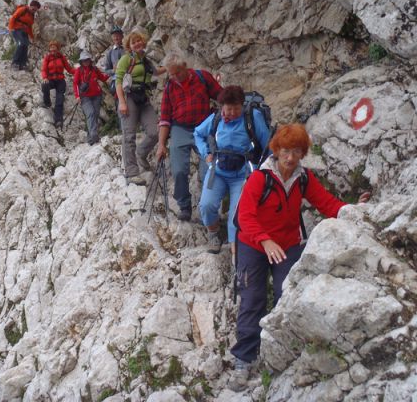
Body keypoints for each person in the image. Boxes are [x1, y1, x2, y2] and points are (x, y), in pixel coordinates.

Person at [228, 124, 371, 392]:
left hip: (287, 244)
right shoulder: (260, 178)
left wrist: (354, 210)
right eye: (285, 151)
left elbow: (327, 203)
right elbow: (245, 217)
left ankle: (282, 354)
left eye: (296, 151)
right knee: (252, 299)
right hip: (253, 244)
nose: (290, 157)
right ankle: (243, 361)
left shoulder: (303, 178)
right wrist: (265, 240)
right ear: (276, 150)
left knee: (288, 295)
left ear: (303, 153)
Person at [194, 86, 270, 253]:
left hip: (243, 174)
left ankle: (236, 252)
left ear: (242, 105)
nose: (233, 112)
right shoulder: (215, 119)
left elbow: (267, 146)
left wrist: (264, 171)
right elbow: (198, 134)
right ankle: (214, 233)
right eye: (229, 109)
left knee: (236, 216)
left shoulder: (253, 117)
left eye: (237, 108)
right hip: (218, 171)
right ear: (222, 106)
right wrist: (206, 152)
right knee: (206, 205)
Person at [156, 53, 223, 221]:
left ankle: (206, 207)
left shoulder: (202, 77)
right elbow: (164, 119)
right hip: (180, 128)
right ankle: (184, 207)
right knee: (178, 170)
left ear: (185, 66)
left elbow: (221, 97)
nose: (174, 77)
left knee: (207, 169)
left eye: (177, 72)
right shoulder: (170, 87)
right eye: (171, 74)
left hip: (204, 126)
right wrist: (161, 145)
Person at [115, 29, 166, 185]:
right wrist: (122, 102)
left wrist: (171, 66)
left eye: (139, 41)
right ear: (129, 46)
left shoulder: (146, 59)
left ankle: (141, 153)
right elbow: (118, 81)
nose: (137, 43)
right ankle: (131, 173)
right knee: (129, 136)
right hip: (129, 97)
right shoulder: (125, 59)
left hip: (143, 98)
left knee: (155, 131)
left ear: (143, 42)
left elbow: (156, 72)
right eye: (133, 42)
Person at [73, 51, 110, 145]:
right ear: (81, 61)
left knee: (95, 115)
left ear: (90, 60)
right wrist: (77, 96)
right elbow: (75, 84)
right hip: (85, 97)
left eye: (87, 60)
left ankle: (90, 139)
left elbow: (102, 78)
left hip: (97, 95)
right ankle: (94, 135)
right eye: (84, 60)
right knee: (90, 113)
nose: (86, 62)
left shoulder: (94, 69)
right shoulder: (79, 71)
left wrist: (112, 72)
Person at [40, 40, 75, 128]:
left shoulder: (62, 57)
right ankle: (47, 102)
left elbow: (69, 69)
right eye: (51, 47)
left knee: (59, 100)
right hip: (51, 79)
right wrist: (45, 77)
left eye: (54, 46)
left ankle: (58, 120)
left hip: (60, 81)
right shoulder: (47, 58)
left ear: (57, 48)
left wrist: (79, 71)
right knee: (44, 85)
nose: (52, 48)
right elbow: (44, 69)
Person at [8, 0, 41, 70]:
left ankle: (23, 64)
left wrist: (32, 37)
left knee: (26, 45)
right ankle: (15, 62)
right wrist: (10, 28)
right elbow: (13, 17)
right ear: (30, 6)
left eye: (35, 10)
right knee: (21, 44)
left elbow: (29, 27)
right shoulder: (23, 9)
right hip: (17, 29)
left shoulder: (32, 16)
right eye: (33, 8)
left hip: (24, 32)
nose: (33, 10)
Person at [104, 26, 125, 94]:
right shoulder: (110, 52)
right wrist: (113, 70)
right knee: (113, 91)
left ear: (122, 36)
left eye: (118, 35)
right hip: (116, 78)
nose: (116, 38)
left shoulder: (127, 49)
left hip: (128, 77)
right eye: (114, 36)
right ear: (112, 38)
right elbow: (106, 70)